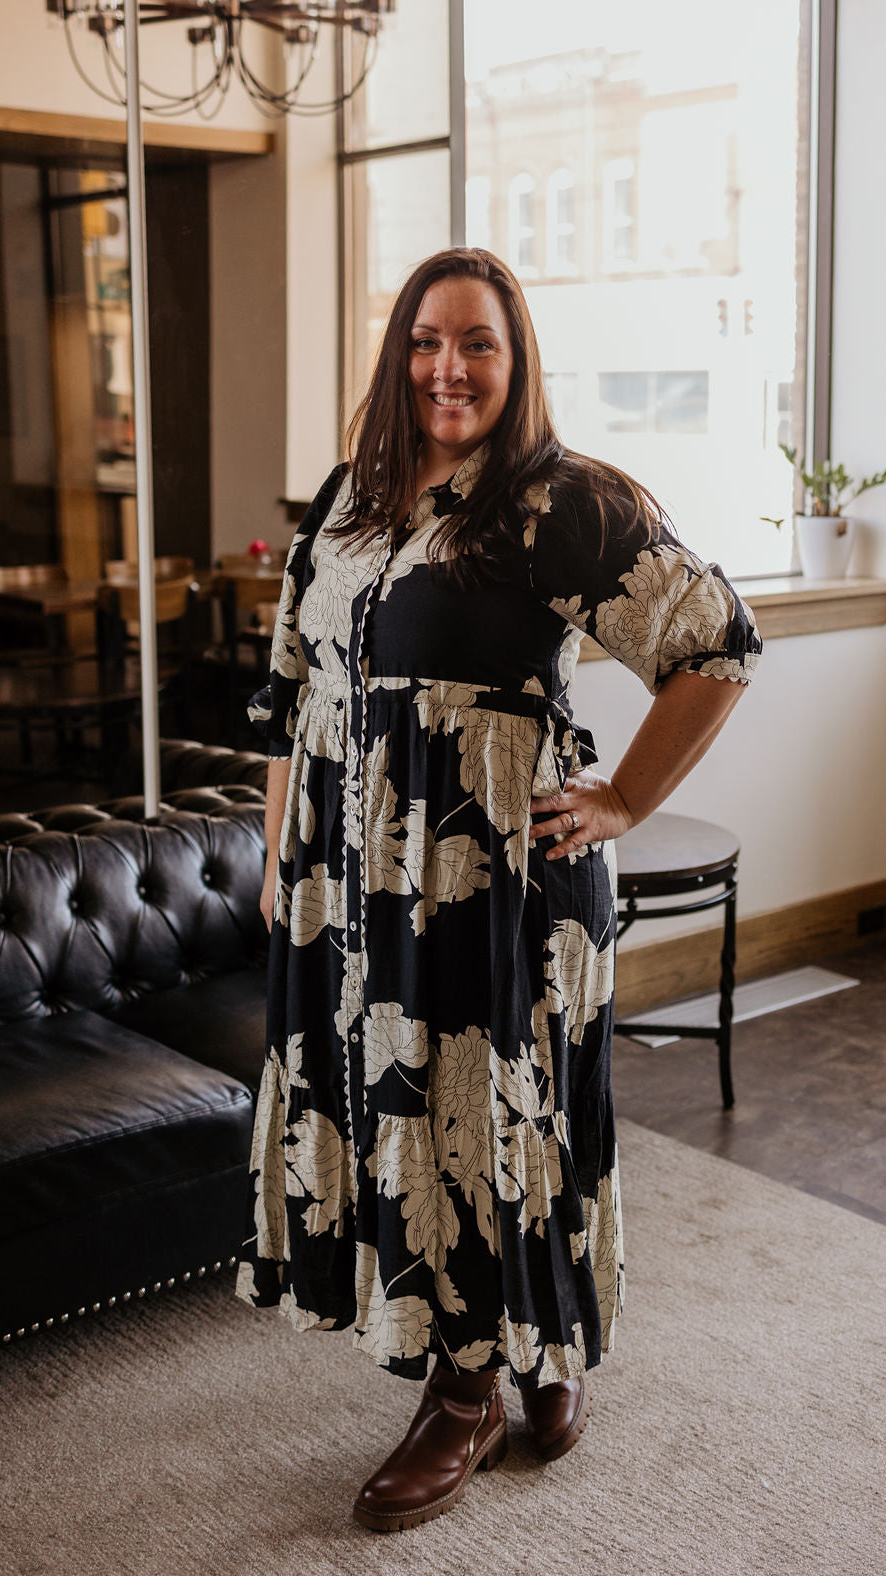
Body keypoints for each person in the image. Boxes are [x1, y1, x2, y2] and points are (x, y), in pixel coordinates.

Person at [236, 246, 761, 1533]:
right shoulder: (349, 498)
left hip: (497, 880)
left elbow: (717, 641)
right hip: (357, 883)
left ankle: (468, 1389)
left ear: (517, 358)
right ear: (397, 354)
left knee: (489, 1117)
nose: (447, 367)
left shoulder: (558, 502)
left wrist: (624, 799)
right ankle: (541, 1347)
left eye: (477, 341)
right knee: (407, 1116)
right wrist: (281, 854)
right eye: (426, 339)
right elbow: (290, 687)